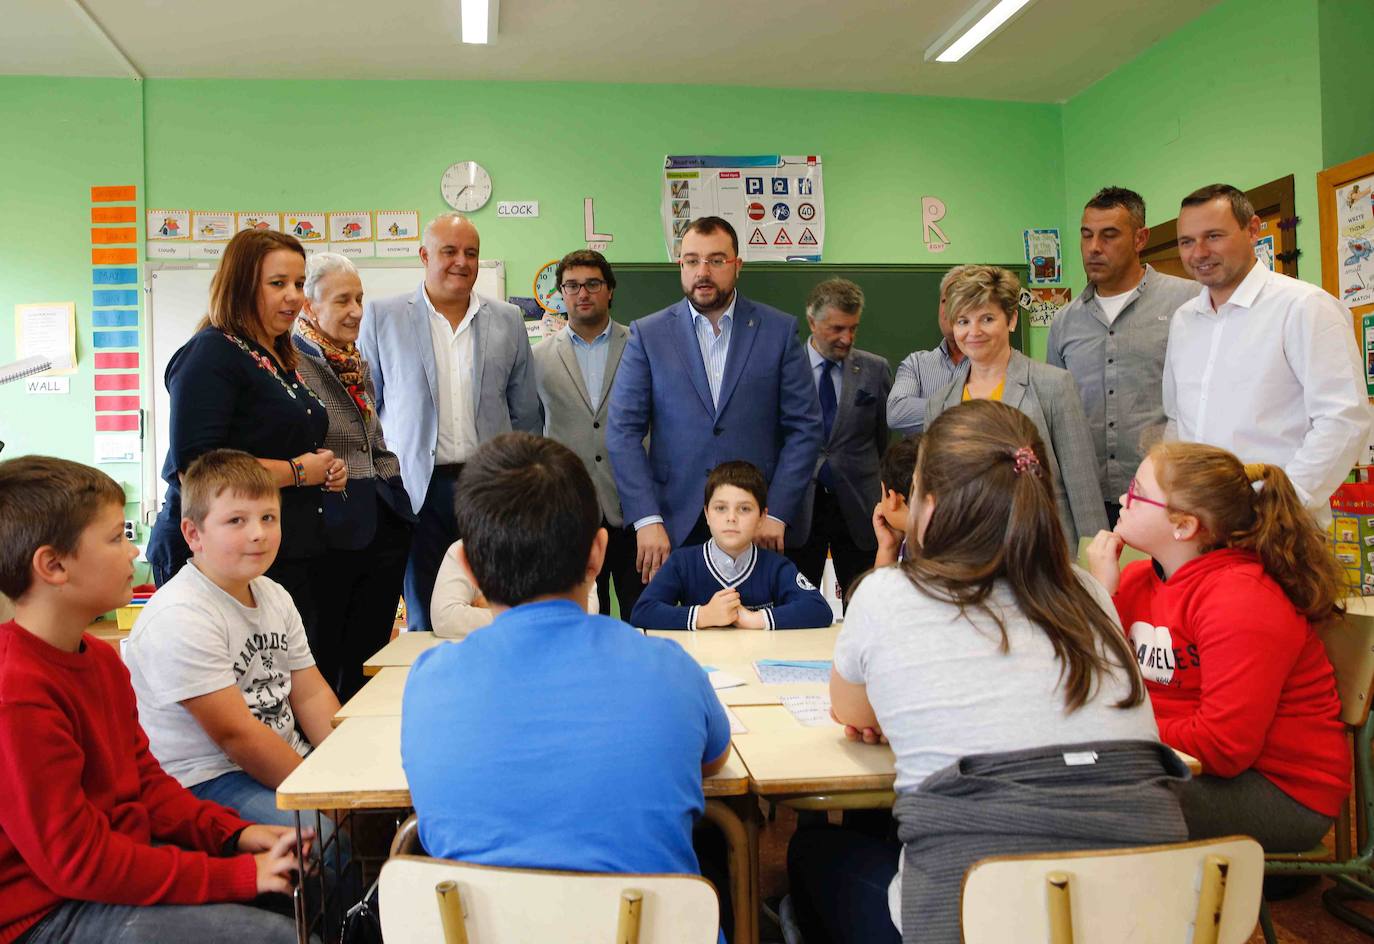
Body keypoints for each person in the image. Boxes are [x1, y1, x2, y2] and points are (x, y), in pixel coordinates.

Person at [787, 401, 1168, 944]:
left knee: (810, 852)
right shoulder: (1089, 593)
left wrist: (890, 714)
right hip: (1146, 912)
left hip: (971, 918)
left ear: (931, 506)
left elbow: (850, 711)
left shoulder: (889, 594)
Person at [400, 432, 732, 932]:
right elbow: (713, 760)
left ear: (466, 564)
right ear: (598, 553)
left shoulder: (426, 685)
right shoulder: (670, 668)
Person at [0, 456, 303, 944]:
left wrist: (234, 834)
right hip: (46, 914)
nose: (134, 550)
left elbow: (145, 783)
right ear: (54, 565)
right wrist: (236, 875)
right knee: (272, 936)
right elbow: (79, 862)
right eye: (117, 537)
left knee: (297, 888)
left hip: (106, 871)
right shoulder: (16, 694)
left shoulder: (99, 661)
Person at [1086, 442, 1349, 851]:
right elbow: (1092, 685)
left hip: (1277, 791)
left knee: (1080, 804)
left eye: (1137, 492)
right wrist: (1102, 596)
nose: (1123, 499)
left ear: (1184, 526)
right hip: (1181, 764)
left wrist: (1120, 730)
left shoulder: (1240, 598)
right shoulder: (1134, 580)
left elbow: (1224, 748)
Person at [125, 451, 344, 852]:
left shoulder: (273, 593)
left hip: (279, 757)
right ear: (193, 534)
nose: (258, 533)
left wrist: (348, 767)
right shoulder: (181, 614)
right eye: (236, 521)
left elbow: (310, 693)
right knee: (327, 843)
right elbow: (236, 736)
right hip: (207, 779)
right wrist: (322, 792)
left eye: (268, 518)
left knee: (378, 805)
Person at [147, 228, 347, 641]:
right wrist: (296, 471)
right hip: (216, 553)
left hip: (282, 547)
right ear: (241, 287)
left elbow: (284, 441)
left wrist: (324, 469)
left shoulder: (278, 354)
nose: (293, 296)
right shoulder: (212, 353)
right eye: (278, 284)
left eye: (298, 283)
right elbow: (197, 467)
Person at [606, 216, 821, 585]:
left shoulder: (777, 330)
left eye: (716, 260)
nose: (702, 271)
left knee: (760, 634)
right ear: (681, 265)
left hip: (758, 524)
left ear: (738, 266)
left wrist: (777, 513)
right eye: (691, 260)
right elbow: (623, 432)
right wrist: (647, 518)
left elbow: (805, 428)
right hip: (674, 526)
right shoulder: (649, 334)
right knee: (679, 634)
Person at [358, 213, 541, 631]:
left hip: (488, 486)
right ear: (424, 256)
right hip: (415, 488)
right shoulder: (383, 316)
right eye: (449, 251)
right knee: (424, 611)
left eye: (471, 253)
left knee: (497, 601)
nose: (462, 261)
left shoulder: (508, 320)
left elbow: (525, 414)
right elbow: (368, 409)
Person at [1164, 183, 1369, 525]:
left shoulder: (1303, 307)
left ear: (1253, 230)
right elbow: (1176, 421)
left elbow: (1344, 419)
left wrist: (1284, 503)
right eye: (1187, 241)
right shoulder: (1184, 320)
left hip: (1279, 527)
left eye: (1213, 236)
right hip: (1200, 524)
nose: (1198, 253)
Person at [293, 252, 414, 700]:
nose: (356, 311)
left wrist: (390, 483)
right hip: (333, 524)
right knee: (329, 656)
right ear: (310, 306)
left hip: (380, 513)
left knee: (370, 654)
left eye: (360, 298)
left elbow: (372, 433)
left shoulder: (352, 357)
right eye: (343, 300)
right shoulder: (293, 361)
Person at [1047, 187, 1197, 526]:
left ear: (1140, 238)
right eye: (1086, 236)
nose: (1094, 247)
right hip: (1087, 500)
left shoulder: (1187, 303)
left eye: (1109, 235)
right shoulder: (1064, 322)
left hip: (1166, 496)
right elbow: (1057, 413)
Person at [927, 265, 1107, 547]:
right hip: (970, 555)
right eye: (963, 321)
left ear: (1011, 319)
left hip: (1043, 552)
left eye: (987, 318)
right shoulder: (940, 404)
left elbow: (1083, 489)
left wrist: (1093, 569)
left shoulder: (1053, 385)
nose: (973, 332)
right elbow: (936, 494)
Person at [532, 249, 642, 617]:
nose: (582, 293)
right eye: (572, 285)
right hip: (569, 507)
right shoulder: (539, 356)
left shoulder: (642, 346)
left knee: (640, 613)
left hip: (632, 503)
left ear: (609, 289)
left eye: (592, 284)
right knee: (581, 616)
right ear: (561, 293)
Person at [786, 278, 893, 602]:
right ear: (812, 322)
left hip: (859, 509)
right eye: (836, 329)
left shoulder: (875, 369)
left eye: (853, 328)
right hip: (798, 510)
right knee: (795, 607)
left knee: (865, 604)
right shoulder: (785, 369)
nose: (846, 338)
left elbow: (882, 439)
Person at [631, 461, 834, 631]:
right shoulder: (682, 562)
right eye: (720, 508)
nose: (731, 518)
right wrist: (703, 616)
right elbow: (642, 612)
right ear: (707, 514)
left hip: (756, 665)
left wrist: (757, 619)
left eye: (744, 509)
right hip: (702, 665)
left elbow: (819, 609)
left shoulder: (776, 567)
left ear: (762, 517)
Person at [430, 537, 598, 639]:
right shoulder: (466, 549)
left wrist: (494, 607)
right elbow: (445, 617)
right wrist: (543, 612)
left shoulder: (568, 549)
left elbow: (584, 614)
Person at [885, 265, 969, 438]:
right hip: (923, 463)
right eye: (945, 301)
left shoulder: (996, 364)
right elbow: (896, 413)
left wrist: (928, 411)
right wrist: (969, 410)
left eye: (959, 300)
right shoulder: (915, 363)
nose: (948, 310)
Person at [872, 436, 920, 568]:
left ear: (893, 499)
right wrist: (888, 546)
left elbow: (880, 588)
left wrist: (886, 551)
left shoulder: (920, 553)